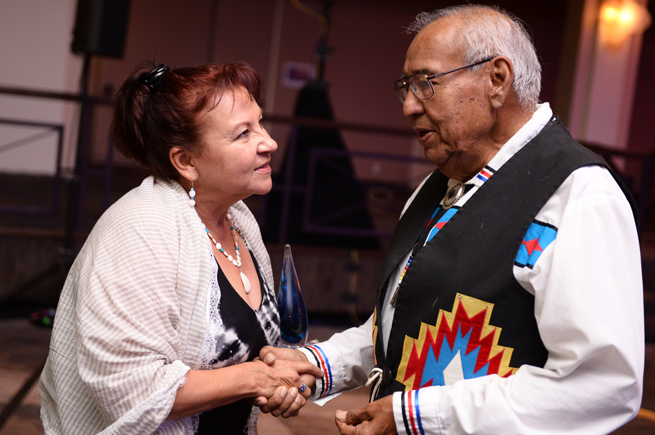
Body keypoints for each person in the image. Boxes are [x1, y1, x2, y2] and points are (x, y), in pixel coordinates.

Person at [258, 4, 644, 434]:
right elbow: (405, 326)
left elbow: (600, 385)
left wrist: (415, 415)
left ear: (497, 79)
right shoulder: (432, 190)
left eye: (426, 83)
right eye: (404, 87)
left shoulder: (577, 194)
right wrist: (318, 364)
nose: (408, 106)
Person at [38, 61, 323, 434]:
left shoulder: (239, 219)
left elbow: (259, 349)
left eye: (260, 123)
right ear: (186, 161)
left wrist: (286, 376)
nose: (268, 142)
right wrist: (257, 378)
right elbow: (132, 388)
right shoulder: (139, 229)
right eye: (243, 134)